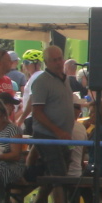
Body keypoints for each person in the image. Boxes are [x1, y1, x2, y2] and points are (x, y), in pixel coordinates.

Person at [25, 46, 75, 183]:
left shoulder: (65, 79)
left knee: (55, 174)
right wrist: (58, 131)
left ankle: (41, 197)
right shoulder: (41, 82)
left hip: (63, 135)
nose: (58, 62)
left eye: (60, 59)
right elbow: (37, 112)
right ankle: (58, 199)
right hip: (48, 135)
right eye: (54, 60)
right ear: (46, 62)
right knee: (59, 176)